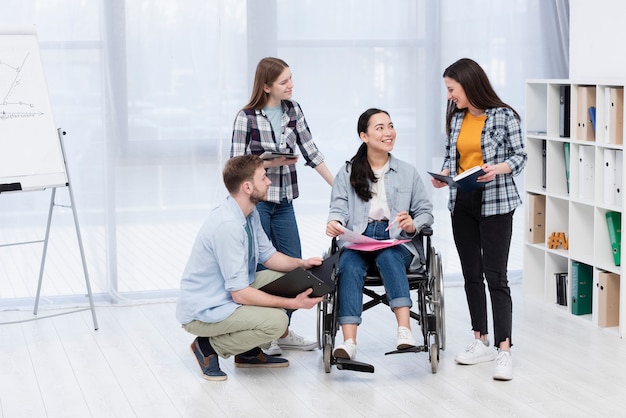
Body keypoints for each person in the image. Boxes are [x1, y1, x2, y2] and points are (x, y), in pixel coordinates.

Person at [175, 155, 324, 381]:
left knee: (290, 280)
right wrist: (291, 304)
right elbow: (240, 293)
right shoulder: (228, 226)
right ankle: (207, 347)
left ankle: (248, 352)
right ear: (247, 187)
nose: (269, 182)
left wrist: (301, 264)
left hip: (226, 293)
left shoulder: (248, 213)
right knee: (277, 321)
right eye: (263, 177)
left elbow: (268, 255)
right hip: (205, 310)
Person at [431, 58, 527, 381]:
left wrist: (497, 169)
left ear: (468, 84)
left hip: (497, 201)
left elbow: (520, 156)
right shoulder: (457, 118)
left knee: (495, 275)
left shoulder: (504, 116)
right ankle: (480, 340)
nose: (449, 96)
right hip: (463, 201)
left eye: (451, 89)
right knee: (472, 274)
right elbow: (451, 157)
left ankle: (504, 349)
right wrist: (444, 174)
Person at [231, 57, 334, 355]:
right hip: (258, 204)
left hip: (285, 201)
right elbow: (236, 165)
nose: (291, 85)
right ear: (266, 86)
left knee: (295, 266)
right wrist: (269, 162)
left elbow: (312, 152)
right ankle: (266, 333)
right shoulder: (247, 117)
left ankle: (282, 330)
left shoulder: (293, 110)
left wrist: (339, 186)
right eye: (284, 82)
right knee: (264, 267)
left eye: (291, 79)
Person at [325, 108, 434, 360]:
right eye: (380, 128)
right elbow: (338, 206)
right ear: (364, 136)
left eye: (390, 126)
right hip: (360, 238)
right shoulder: (348, 171)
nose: (389, 132)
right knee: (349, 265)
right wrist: (335, 222)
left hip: (396, 238)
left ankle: (404, 331)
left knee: (388, 256)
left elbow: (426, 213)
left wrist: (412, 224)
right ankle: (349, 342)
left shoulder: (407, 172)